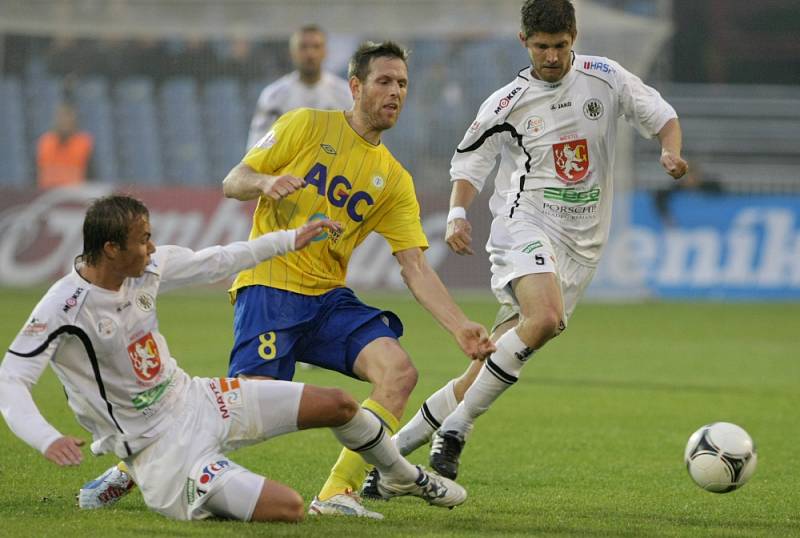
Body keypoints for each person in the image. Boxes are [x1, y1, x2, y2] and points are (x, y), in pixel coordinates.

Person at [361, 0, 688, 492]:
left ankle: (387, 472)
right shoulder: (507, 101)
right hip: (524, 223)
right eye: (542, 47)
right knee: (544, 318)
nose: (552, 57)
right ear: (524, 42)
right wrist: (454, 214)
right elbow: (470, 164)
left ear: (573, 36)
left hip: (584, 243)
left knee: (486, 367)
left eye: (560, 46)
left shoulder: (606, 77)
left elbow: (663, 116)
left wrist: (670, 149)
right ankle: (457, 430)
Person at [0, 195, 467, 523]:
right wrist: (45, 438)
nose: (153, 248)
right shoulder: (64, 309)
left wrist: (289, 239)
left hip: (198, 398)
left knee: (340, 404)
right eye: (143, 240)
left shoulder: (146, 268)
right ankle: (174, 486)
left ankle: (405, 477)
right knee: (288, 509)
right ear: (111, 250)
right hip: (161, 451)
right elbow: (10, 380)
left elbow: (218, 259)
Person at [218, 40, 495, 520]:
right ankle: (135, 464)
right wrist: (265, 183)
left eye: (402, 84)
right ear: (355, 86)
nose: (395, 93)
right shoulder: (306, 124)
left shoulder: (394, 178)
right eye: (384, 82)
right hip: (271, 287)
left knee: (399, 372)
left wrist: (458, 326)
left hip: (327, 300)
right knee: (243, 415)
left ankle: (337, 491)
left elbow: (414, 266)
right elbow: (233, 179)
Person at [246, 24, 353, 150]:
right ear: (292, 53)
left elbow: (356, 143)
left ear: (325, 52)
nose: (310, 53)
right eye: (303, 47)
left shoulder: (345, 94)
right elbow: (256, 147)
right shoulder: (273, 96)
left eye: (316, 46)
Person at [36, 102, 95, 189]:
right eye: (61, 118)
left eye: (68, 118)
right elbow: (37, 172)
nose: (64, 122)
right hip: (48, 193)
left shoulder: (84, 143)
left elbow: (91, 175)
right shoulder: (45, 142)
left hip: (75, 194)